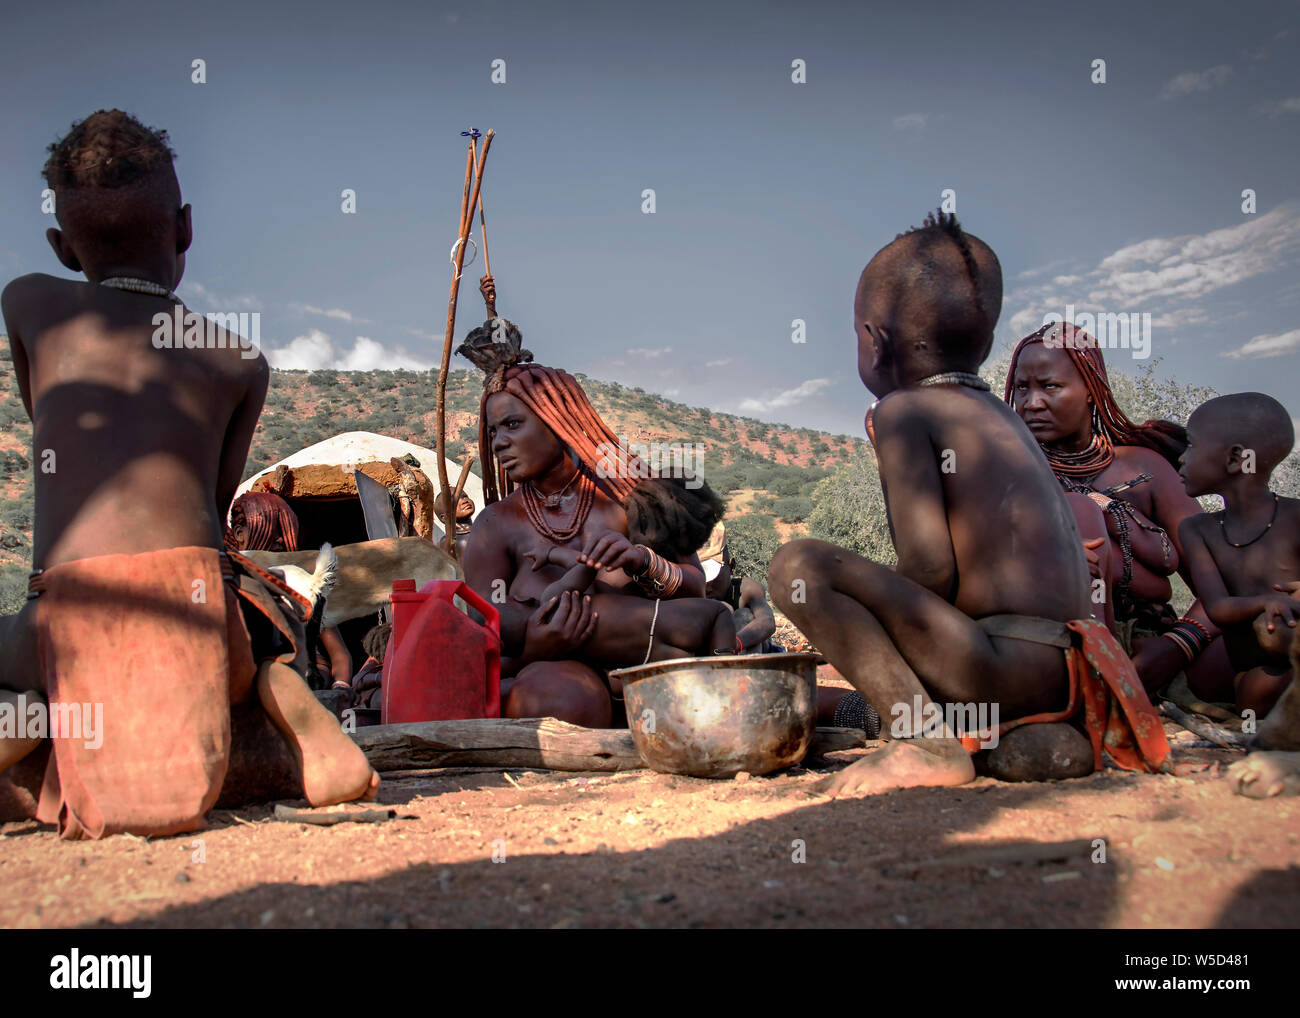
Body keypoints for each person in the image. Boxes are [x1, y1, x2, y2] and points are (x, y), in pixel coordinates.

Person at [0, 110, 375, 838]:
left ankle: (35, 715)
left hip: (67, 621)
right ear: (186, 229)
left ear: (61, 245)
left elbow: (42, 406)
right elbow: (212, 507)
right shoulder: (238, 362)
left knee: (16, 645)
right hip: (199, 618)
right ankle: (283, 696)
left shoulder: (30, 303)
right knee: (258, 639)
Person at [770, 211, 1169, 796]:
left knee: (799, 566)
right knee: (1024, 750)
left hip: (992, 664)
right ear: (983, 343)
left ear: (875, 342)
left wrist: (878, 628)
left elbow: (931, 568)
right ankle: (1031, 742)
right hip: (1063, 676)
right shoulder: (1007, 420)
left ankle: (923, 744)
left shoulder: (903, 411)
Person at [458, 320, 733, 726]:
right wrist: (539, 645)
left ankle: (859, 711)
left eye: (513, 424)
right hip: (555, 672)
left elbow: (697, 589)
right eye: (493, 430)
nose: (499, 442)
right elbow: (488, 627)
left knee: (712, 695)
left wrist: (643, 562)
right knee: (563, 702)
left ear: (559, 422)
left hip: (648, 660)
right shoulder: (495, 525)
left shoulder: (631, 494)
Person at [1006, 323, 1229, 697]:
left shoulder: (1146, 468)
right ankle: (1094, 683)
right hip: (1051, 646)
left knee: (1255, 653)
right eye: (1022, 388)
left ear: (1091, 392)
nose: (1032, 403)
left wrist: (1177, 645)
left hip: (1151, 646)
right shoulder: (1008, 473)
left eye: (1050, 386)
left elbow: (1219, 581)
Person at [1177, 393, 1299, 719]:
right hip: (1260, 672)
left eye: (1190, 445)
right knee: (1255, 694)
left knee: (1277, 636)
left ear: (1235, 459)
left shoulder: (1296, 518)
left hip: (1294, 649)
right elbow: (1217, 608)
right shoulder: (1197, 529)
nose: (1182, 458)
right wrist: (1266, 603)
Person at [227, 491, 353, 691]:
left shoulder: (297, 579)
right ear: (239, 534)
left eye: (284, 530)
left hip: (308, 682)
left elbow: (339, 654)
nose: (279, 540)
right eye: (272, 529)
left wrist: (340, 688)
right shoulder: (228, 580)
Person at [699, 525, 778, 653]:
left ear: (732, 567)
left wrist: (734, 643)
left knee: (743, 615)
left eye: (715, 579)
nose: (707, 586)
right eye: (701, 579)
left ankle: (747, 670)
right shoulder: (692, 592)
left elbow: (767, 621)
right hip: (711, 656)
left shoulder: (747, 589)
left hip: (745, 650)